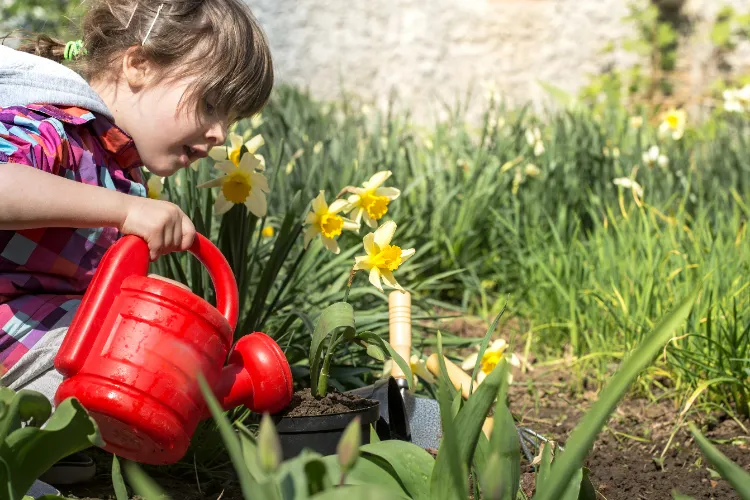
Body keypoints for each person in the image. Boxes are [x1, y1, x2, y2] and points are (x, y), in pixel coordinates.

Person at [0, 0, 273, 493]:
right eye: (211, 103)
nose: (219, 134)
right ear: (139, 64)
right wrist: (123, 210)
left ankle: (35, 453)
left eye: (230, 118)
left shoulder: (116, 168)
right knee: (114, 362)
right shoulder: (51, 126)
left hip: (23, 346)